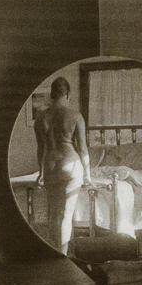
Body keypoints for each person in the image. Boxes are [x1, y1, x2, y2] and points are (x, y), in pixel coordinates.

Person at [34, 77, 92, 254]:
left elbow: (41, 149)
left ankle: (53, 253)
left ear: (52, 94)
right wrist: (88, 175)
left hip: (50, 167)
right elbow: (82, 149)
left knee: (54, 214)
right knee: (65, 215)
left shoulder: (41, 117)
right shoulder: (75, 116)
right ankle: (63, 258)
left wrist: (41, 173)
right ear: (67, 94)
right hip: (69, 167)